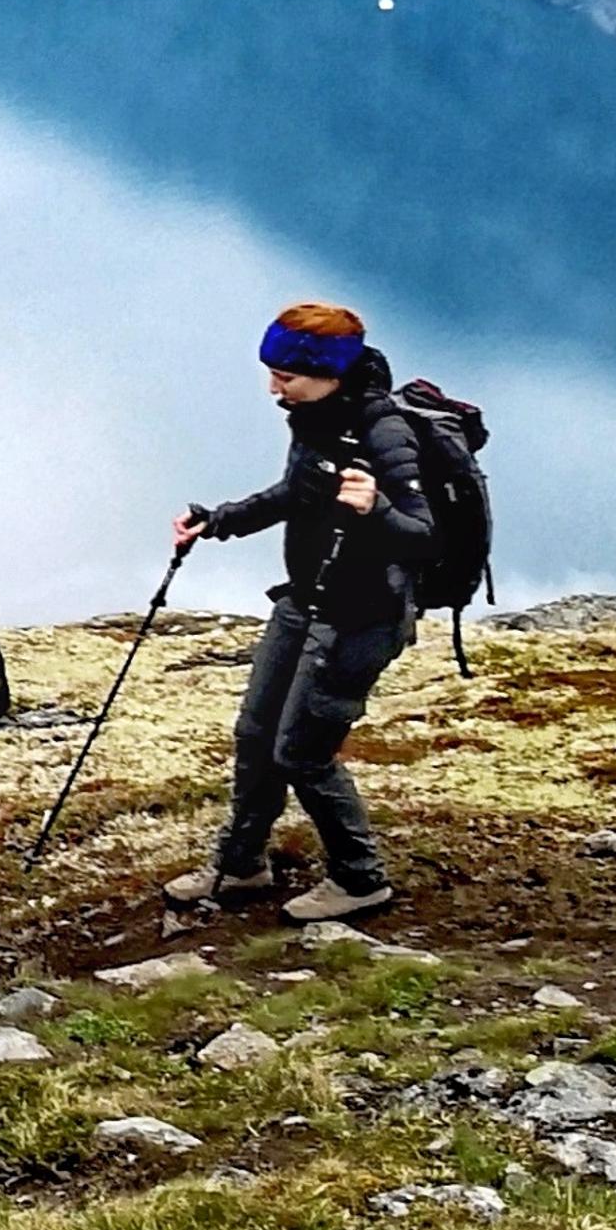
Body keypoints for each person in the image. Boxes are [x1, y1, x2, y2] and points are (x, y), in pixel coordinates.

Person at [166, 302, 436, 922]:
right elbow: (297, 493)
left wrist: (378, 511)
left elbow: (424, 537)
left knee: (303, 753)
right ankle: (240, 866)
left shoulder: (384, 431)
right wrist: (220, 521)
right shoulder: (312, 417)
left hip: (361, 619)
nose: (273, 388)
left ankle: (360, 878)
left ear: (327, 371)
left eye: (285, 376)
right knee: (256, 735)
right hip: (303, 600)